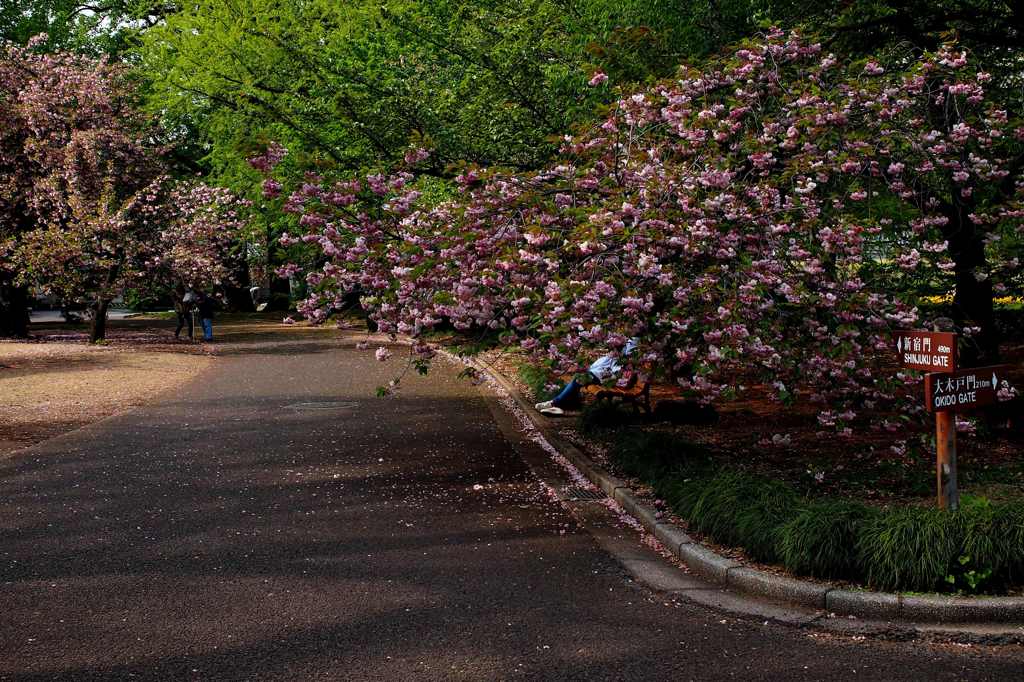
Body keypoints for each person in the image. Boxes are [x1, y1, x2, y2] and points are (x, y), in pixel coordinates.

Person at [535, 338, 639, 416]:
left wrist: (618, 353)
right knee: (579, 377)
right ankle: (561, 405)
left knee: (579, 378)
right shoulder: (624, 335)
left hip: (609, 375)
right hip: (604, 369)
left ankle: (555, 403)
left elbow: (629, 359)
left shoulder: (634, 340)